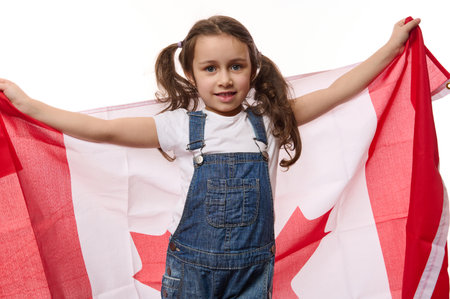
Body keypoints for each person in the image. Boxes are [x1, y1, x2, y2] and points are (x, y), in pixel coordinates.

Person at [0, 15, 420, 298]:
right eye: (210, 68)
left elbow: (336, 92)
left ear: (253, 68)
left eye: (236, 66)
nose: (224, 79)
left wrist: (391, 47)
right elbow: (105, 130)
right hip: (191, 272)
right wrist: (28, 103)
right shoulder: (181, 126)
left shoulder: (270, 121)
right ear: (191, 72)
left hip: (253, 270)